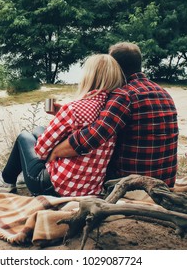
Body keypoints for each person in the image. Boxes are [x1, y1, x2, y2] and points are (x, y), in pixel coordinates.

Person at [0, 54, 125, 196]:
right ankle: (19, 176)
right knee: (39, 129)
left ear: (88, 77)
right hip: (89, 187)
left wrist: (62, 116)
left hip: (54, 187)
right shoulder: (112, 115)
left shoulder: (73, 108)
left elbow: (40, 151)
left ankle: (5, 182)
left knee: (24, 137)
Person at [49, 42, 178, 187]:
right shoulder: (162, 92)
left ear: (114, 67)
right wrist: (66, 114)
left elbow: (92, 137)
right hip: (165, 183)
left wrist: (55, 152)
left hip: (133, 185)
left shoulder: (125, 95)